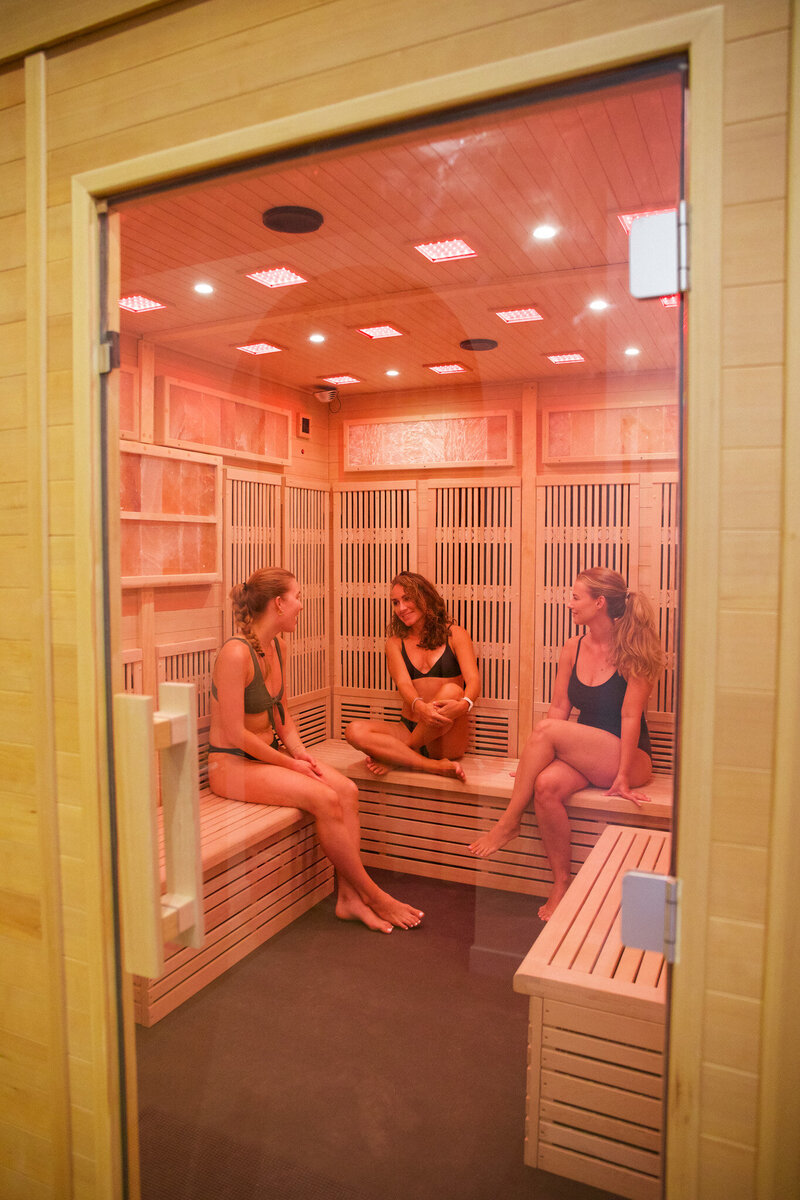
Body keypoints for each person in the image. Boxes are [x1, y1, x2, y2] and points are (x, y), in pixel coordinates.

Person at [207, 567, 423, 934]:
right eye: (297, 597)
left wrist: (301, 754)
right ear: (278, 603)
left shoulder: (278, 645)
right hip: (231, 766)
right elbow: (235, 733)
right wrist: (292, 765)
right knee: (324, 798)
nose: (301, 606)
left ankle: (349, 900)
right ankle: (372, 894)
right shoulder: (235, 654)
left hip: (269, 758)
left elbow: (282, 713)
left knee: (347, 790)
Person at [469, 567, 664, 921]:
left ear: (599, 603)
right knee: (544, 786)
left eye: (576, 597)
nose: (569, 603)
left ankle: (509, 822)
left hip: (629, 756)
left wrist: (621, 776)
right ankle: (561, 883)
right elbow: (560, 707)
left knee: (545, 732)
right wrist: (532, 766)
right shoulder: (573, 647)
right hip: (586, 752)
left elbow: (630, 718)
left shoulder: (634, 648)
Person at [345, 572, 480, 780]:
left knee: (453, 690)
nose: (401, 608)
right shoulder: (395, 643)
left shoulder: (455, 634)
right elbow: (403, 684)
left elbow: (474, 681)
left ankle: (399, 756)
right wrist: (419, 707)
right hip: (409, 724)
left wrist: (464, 705)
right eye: (396, 602)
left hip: (447, 735)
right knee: (354, 730)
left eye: (407, 599)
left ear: (425, 597)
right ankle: (429, 765)